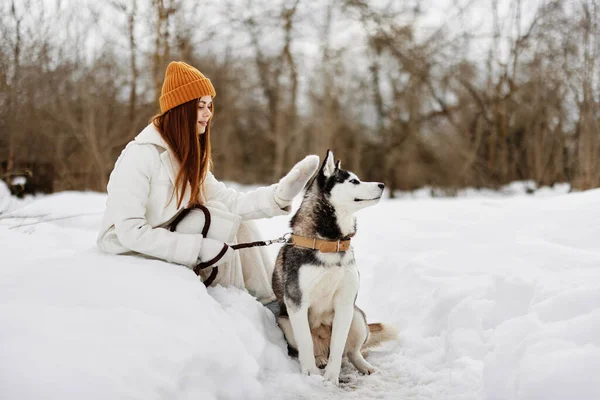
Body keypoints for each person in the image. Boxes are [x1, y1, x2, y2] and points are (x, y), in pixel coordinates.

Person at [97, 61, 319, 311]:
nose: (208, 113)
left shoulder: (187, 156)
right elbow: (130, 231)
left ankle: (272, 304)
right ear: (181, 110)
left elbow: (231, 202)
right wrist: (198, 248)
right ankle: (232, 304)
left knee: (236, 218)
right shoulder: (140, 155)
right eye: (200, 106)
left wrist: (279, 196)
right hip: (128, 247)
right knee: (214, 217)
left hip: (169, 231)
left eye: (209, 106)